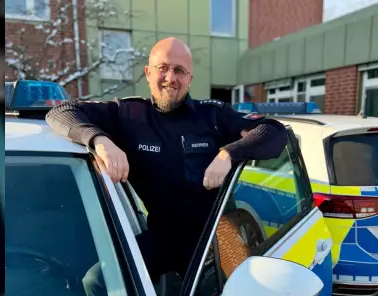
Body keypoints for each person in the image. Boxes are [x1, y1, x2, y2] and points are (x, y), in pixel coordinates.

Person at [46, 37, 288, 281]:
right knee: (98, 280)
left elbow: (274, 131)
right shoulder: (128, 115)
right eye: (163, 68)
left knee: (234, 295)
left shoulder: (213, 115)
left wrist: (228, 154)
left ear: (190, 78)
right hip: (162, 237)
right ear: (148, 73)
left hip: (216, 237)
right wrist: (99, 140)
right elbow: (61, 112)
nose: (170, 78)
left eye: (179, 70)